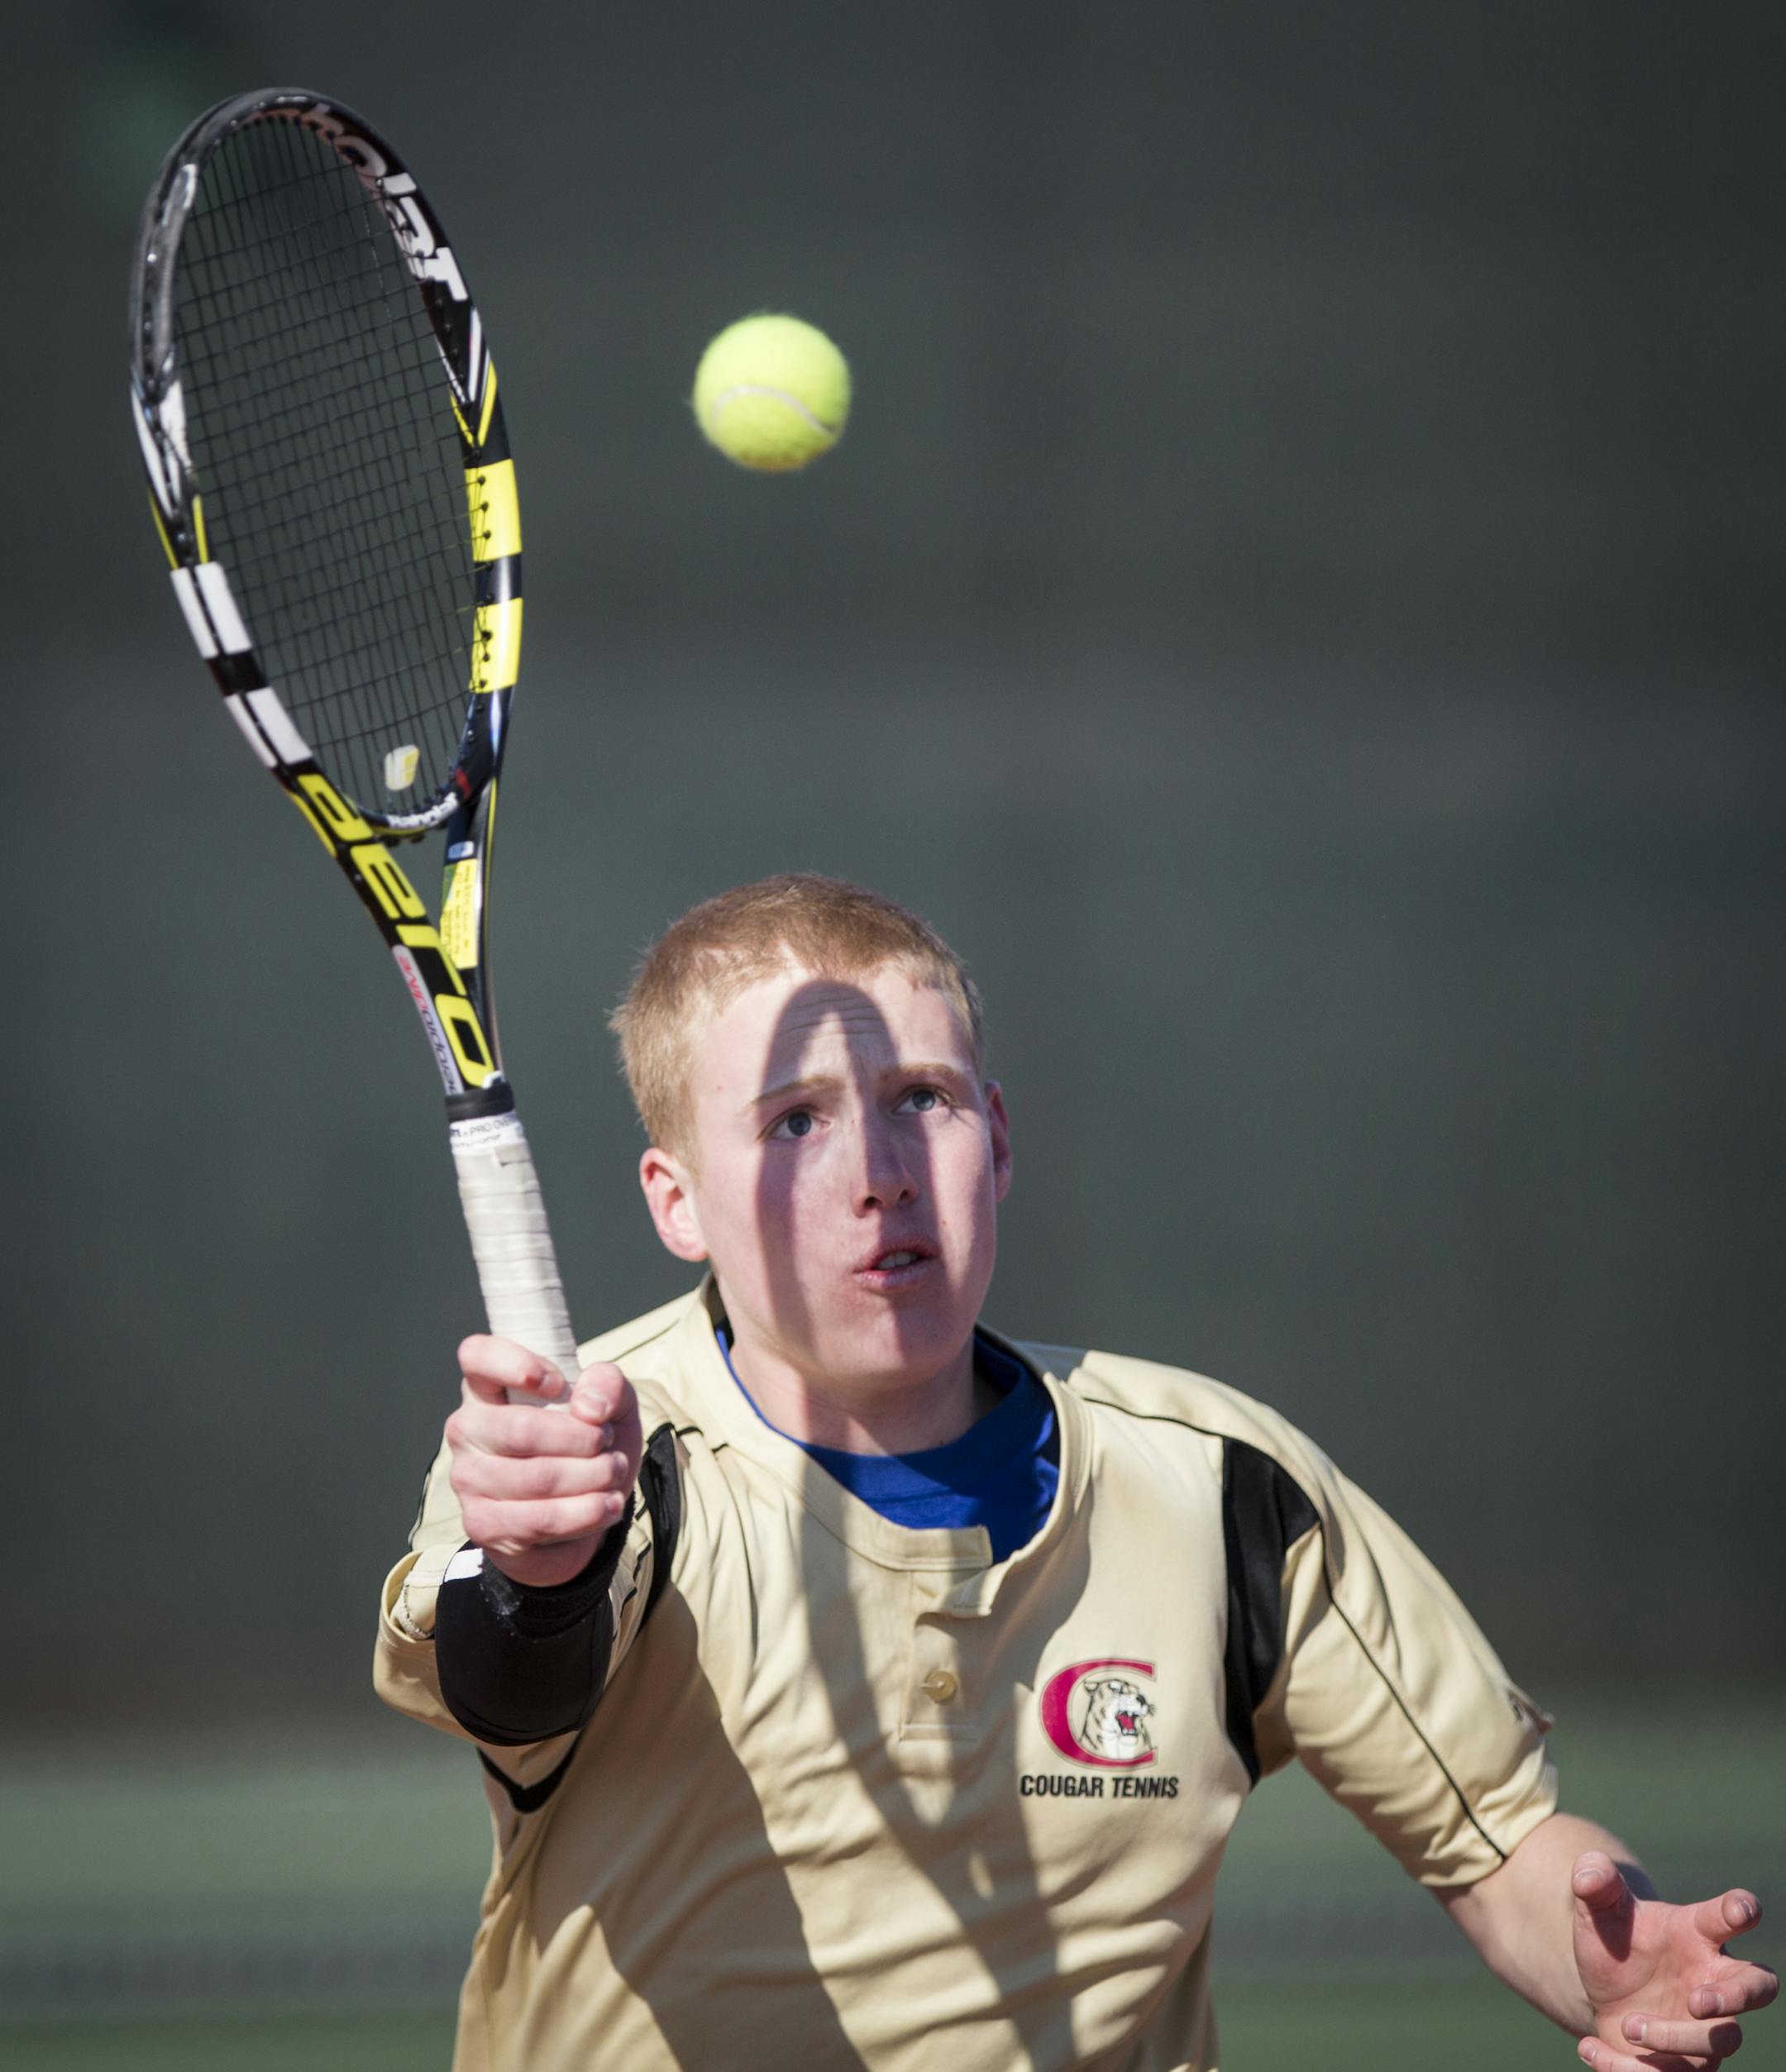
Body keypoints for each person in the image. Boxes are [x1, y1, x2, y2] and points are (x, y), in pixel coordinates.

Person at [375, 873, 1774, 2071]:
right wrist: (545, 1571)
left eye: (919, 1099)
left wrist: (1614, 1960)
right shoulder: (568, 1455)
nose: (877, 1171)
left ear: (997, 1132)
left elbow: (1503, 1844)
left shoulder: (1226, 1489)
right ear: (674, 1199)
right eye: (794, 1119)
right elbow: (509, 1680)